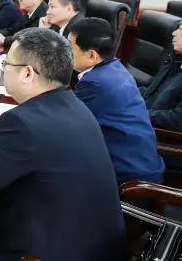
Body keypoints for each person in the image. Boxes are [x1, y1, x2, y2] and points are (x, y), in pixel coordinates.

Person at [0, 28, 125, 261]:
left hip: (41, 254)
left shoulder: (21, 122)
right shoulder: (75, 105)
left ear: (27, 73)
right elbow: (44, 148)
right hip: (94, 249)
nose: (3, 68)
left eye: (7, 63)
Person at [69, 18, 164, 184]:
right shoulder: (115, 67)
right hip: (142, 166)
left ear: (91, 55)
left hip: (127, 179)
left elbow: (64, 123)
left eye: (70, 47)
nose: (65, 52)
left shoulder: (95, 83)